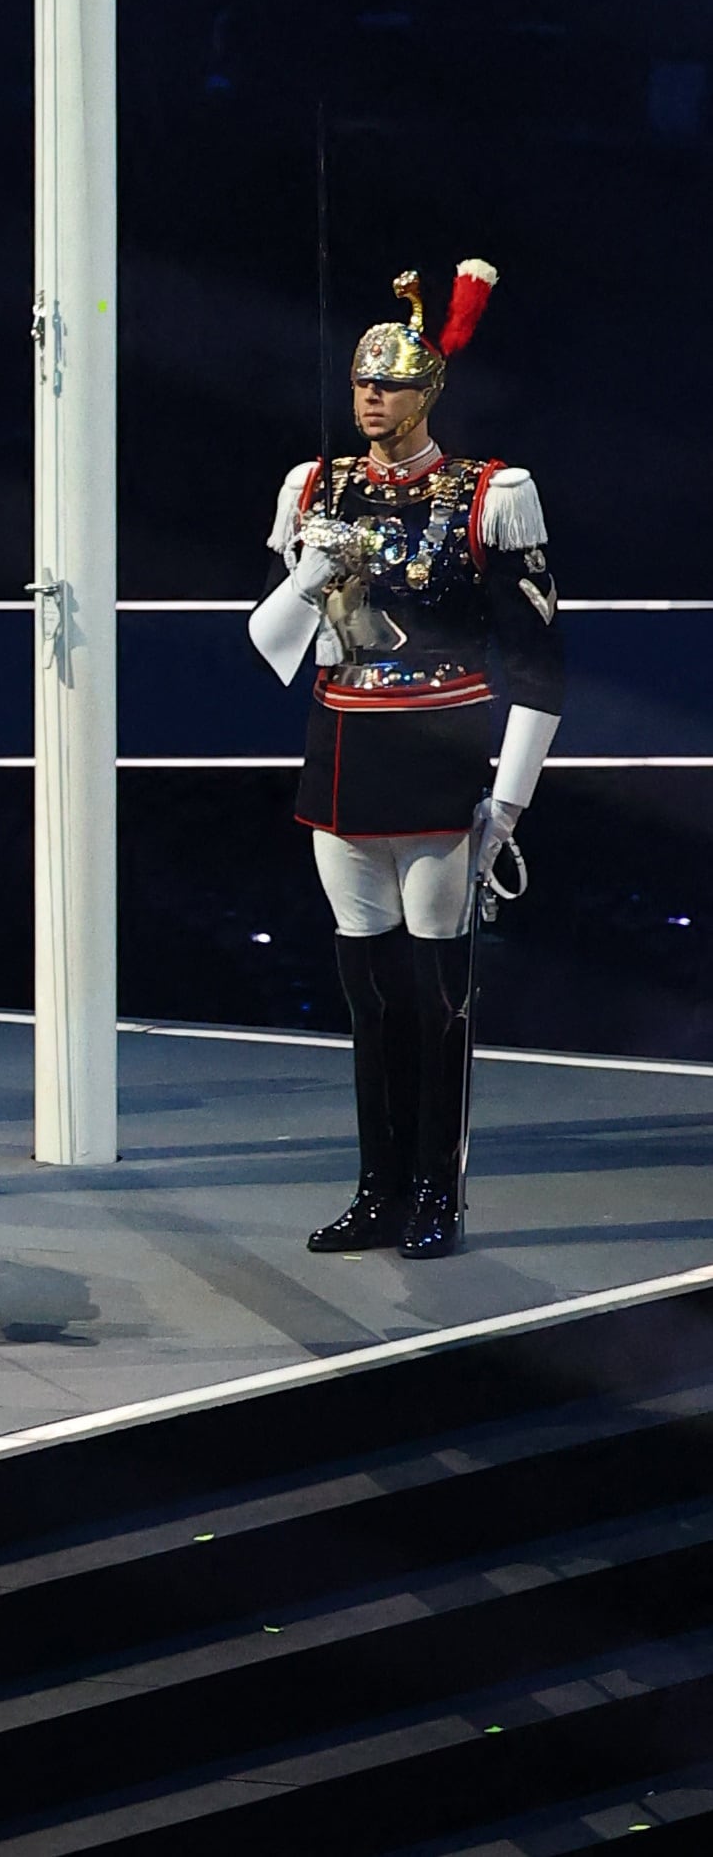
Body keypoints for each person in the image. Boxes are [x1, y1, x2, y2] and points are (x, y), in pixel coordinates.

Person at [248, 256, 561, 1259]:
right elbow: (270, 648)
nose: (373, 395)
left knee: (437, 989)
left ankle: (438, 1190)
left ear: (430, 391)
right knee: (367, 986)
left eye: (392, 382)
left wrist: (507, 800)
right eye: (361, 380)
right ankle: (377, 1185)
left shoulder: (490, 492)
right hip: (342, 746)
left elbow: (540, 664)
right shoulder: (314, 487)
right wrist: (312, 567)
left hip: (441, 749)